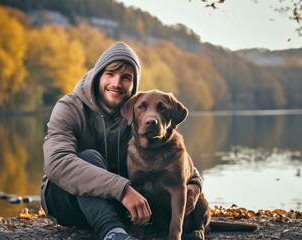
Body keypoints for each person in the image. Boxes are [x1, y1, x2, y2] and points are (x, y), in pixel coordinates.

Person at [40, 42, 204, 240]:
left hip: (118, 205)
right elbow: (56, 163)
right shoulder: (69, 108)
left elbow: (179, 161)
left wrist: (195, 184)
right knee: (89, 157)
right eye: (110, 74)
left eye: (126, 77)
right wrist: (122, 189)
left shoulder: (138, 112)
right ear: (97, 75)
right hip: (66, 201)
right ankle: (113, 233)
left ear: (133, 84)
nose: (116, 83)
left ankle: (115, 227)